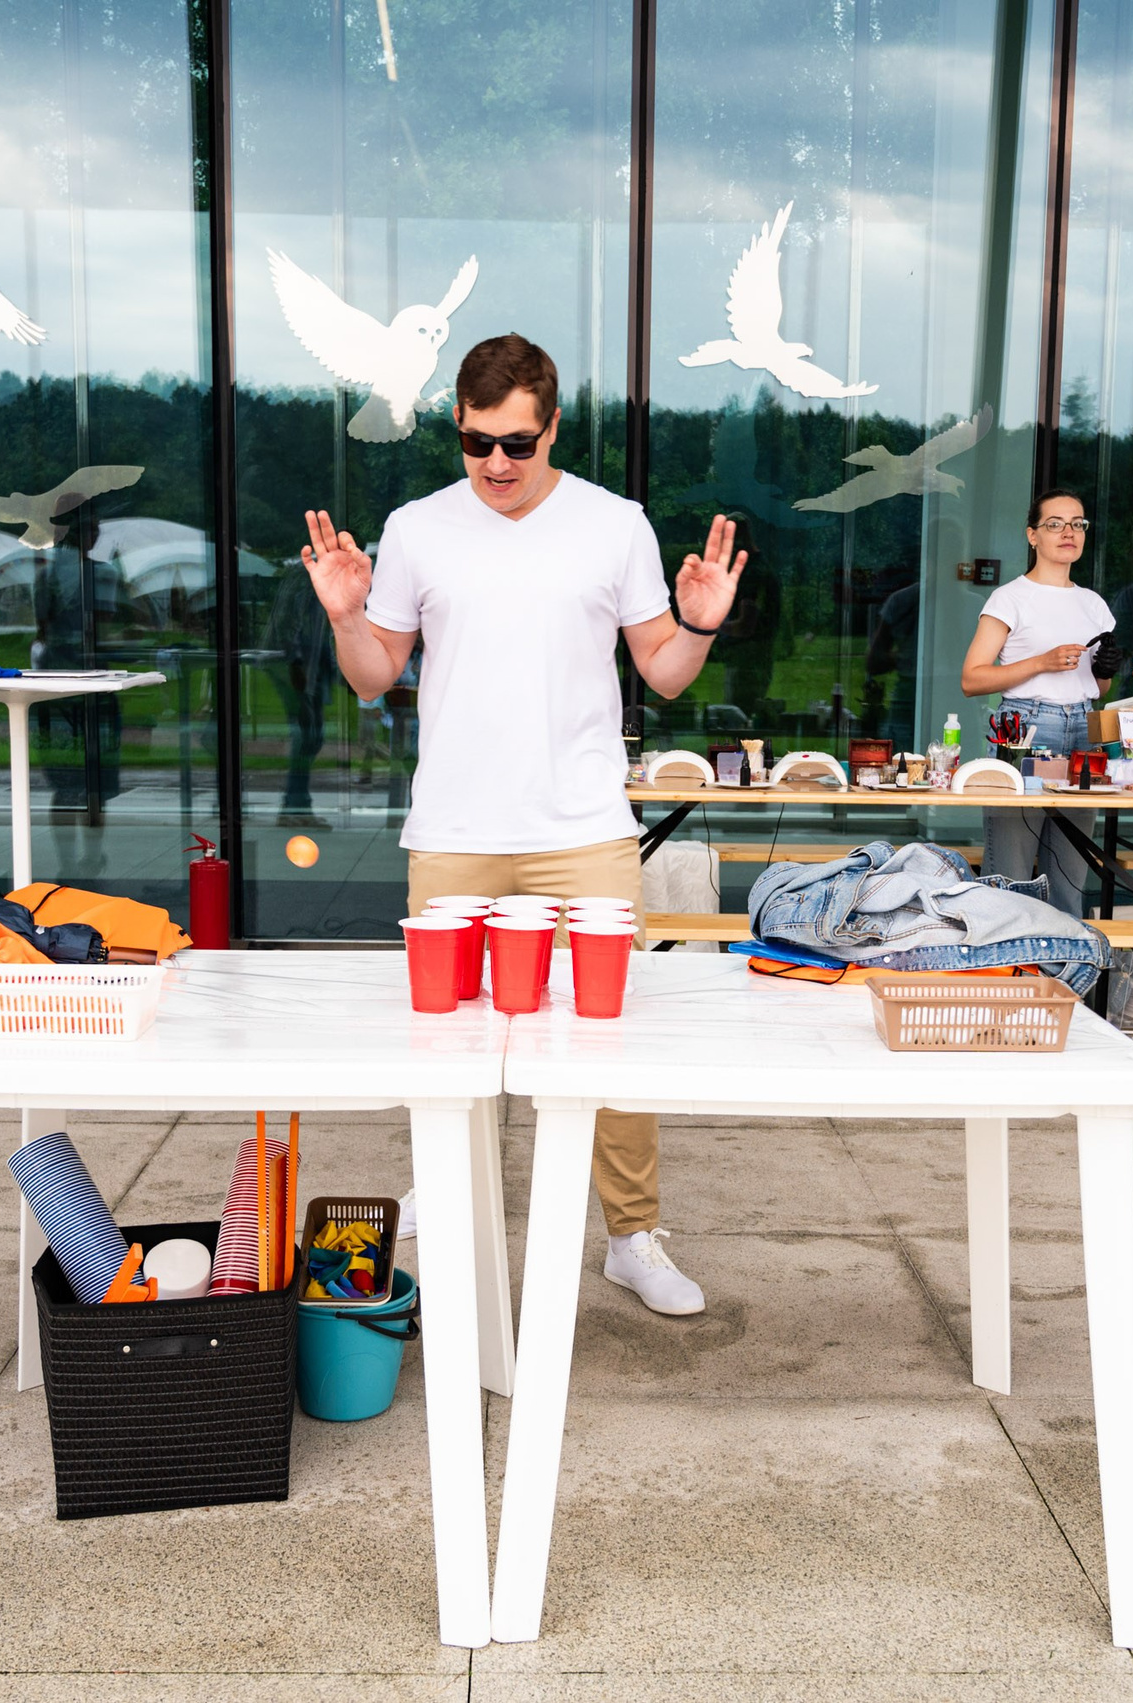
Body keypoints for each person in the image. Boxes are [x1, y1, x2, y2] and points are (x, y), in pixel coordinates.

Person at [299, 333, 744, 1316]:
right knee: (443, 1038)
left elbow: (664, 673)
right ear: (457, 426)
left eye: (516, 443)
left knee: (607, 1042)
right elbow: (373, 677)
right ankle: (443, 1183)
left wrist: (700, 623)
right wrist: (344, 615)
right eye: (476, 442)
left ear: (552, 429)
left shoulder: (614, 524)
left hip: (582, 826)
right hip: (454, 828)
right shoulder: (417, 527)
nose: (495, 462)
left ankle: (631, 1235)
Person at [960, 489, 1114, 915]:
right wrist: (1041, 662)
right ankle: (1006, 956)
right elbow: (972, 679)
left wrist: (1105, 672)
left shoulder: (1093, 604)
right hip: (1026, 728)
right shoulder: (1010, 597)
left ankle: (1063, 957)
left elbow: (1097, 689)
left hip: (1083, 730)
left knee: (1070, 871)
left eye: (1078, 524)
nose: (1069, 532)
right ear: (1032, 535)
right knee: (1011, 872)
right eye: (1055, 524)